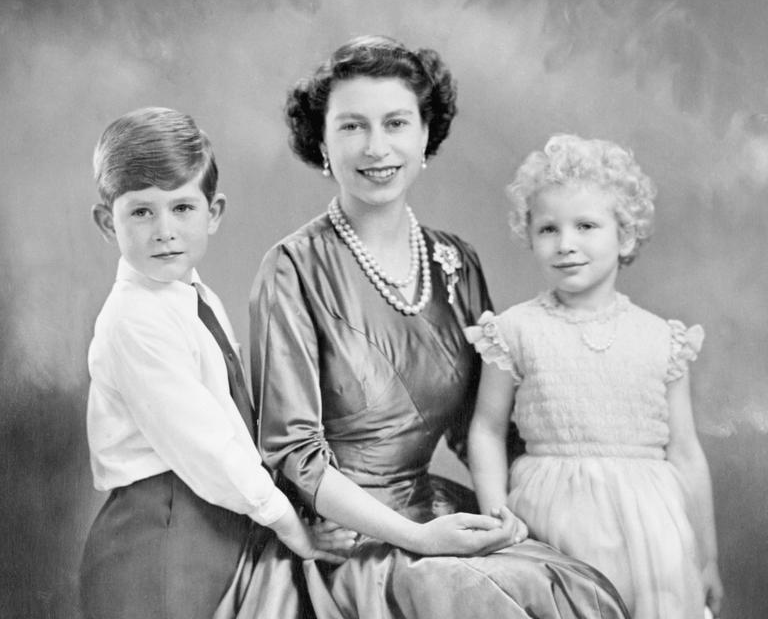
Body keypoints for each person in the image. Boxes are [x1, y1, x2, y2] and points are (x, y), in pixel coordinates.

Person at [221, 37, 630, 619]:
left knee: (573, 590)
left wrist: (519, 506)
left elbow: (477, 425)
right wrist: (416, 541)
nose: (376, 147)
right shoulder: (292, 268)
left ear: (425, 136)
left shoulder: (455, 262)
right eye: (351, 127)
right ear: (321, 141)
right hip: (339, 544)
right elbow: (295, 455)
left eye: (395, 123)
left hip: (435, 517)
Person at [80, 107, 339, 619]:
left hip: (215, 519)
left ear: (213, 213)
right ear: (107, 223)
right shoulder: (134, 319)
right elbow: (210, 448)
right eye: (140, 212)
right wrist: (290, 526)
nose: (164, 231)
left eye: (181, 208)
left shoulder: (191, 295)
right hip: (159, 539)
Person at [465, 134, 724, 619]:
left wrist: (707, 556)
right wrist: (498, 518)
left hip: (651, 531)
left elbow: (686, 451)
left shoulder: (661, 339)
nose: (566, 245)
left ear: (624, 234)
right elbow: (486, 428)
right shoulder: (515, 330)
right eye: (547, 229)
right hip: (551, 520)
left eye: (586, 226)